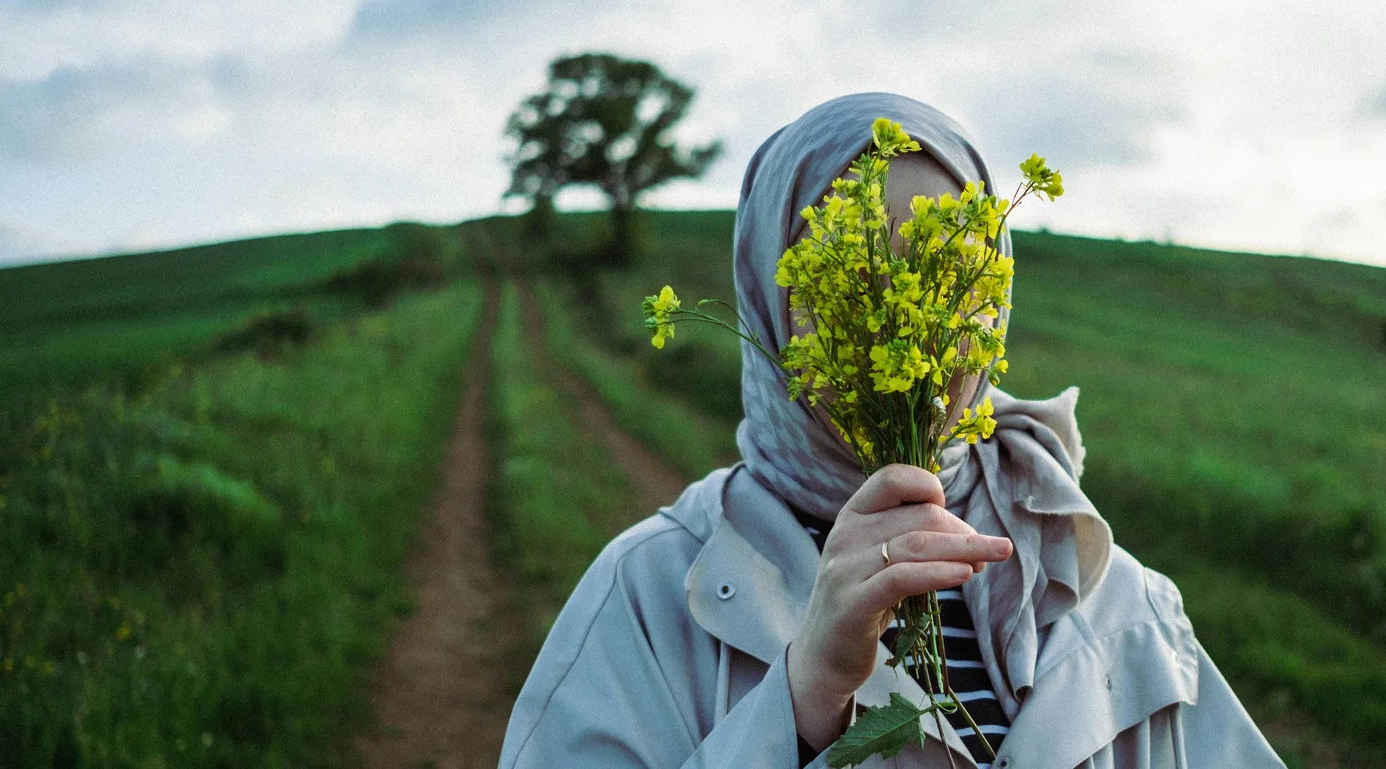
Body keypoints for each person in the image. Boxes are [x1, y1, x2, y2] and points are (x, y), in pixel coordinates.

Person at [497, 93, 1285, 768]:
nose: (899, 330)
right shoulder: (641, 593)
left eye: (946, 275)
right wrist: (803, 706)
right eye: (847, 284)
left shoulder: (1116, 590)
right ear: (771, 309)